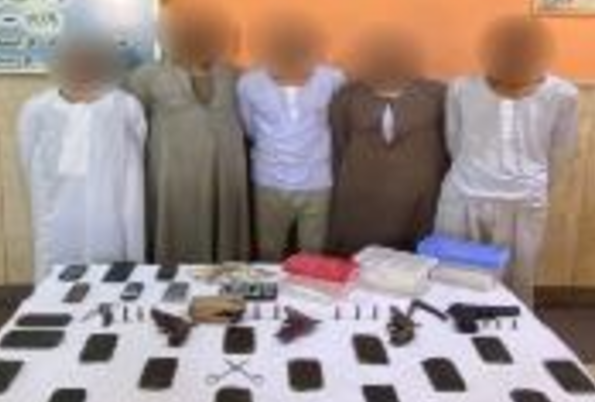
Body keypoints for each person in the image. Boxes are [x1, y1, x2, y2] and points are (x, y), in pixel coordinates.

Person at [434, 17, 579, 305]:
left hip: (524, 203)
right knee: (453, 277)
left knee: (516, 283)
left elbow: (561, 151)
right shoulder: (461, 88)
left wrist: (530, 184)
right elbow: (455, 142)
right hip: (464, 197)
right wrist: (479, 173)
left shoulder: (562, 94)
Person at [128, 3, 250, 265]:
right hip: (173, 180)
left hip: (224, 179)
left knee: (225, 256)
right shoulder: (145, 77)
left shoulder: (237, 76)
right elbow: (132, 131)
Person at [19, 35, 146, 281]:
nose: (82, 67)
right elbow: (27, 155)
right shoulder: (38, 107)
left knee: (110, 264)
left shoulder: (125, 105)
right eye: (75, 61)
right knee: (57, 265)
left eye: (89, 61)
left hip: (111, 204)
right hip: (56, 208)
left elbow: (137, 146)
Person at [328, 30, 448, 256]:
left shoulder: (436, 95)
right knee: (359, 259)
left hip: (418, 201)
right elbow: (339, 143)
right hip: (361, 199)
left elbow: (447, 143)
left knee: (411, 261)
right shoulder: (348, 95)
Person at [238, 14, 345, 261]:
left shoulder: (332, 78)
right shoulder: (249, 83)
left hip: (317, 181)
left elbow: (338, 121)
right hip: (269, 181)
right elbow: (250, 128)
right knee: (268, 254)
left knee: (313, 256)